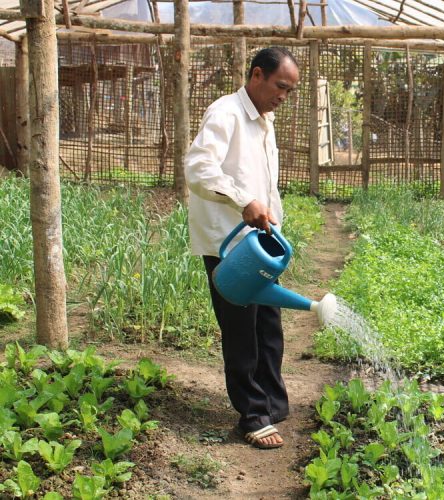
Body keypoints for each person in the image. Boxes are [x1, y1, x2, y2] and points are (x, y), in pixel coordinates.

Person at [184, 47, 300, 450]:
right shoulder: (226, 114)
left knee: (268, 324)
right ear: (256, 75)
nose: (283, 96)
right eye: (280, 86)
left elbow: (264, 184)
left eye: (289, 91)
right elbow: (199, 169)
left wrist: (275, 224)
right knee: (240, 330)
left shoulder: (264, 121)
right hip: (229, 243)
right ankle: (251, 414)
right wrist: (241, 200)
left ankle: (271, 402)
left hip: (260, 241)